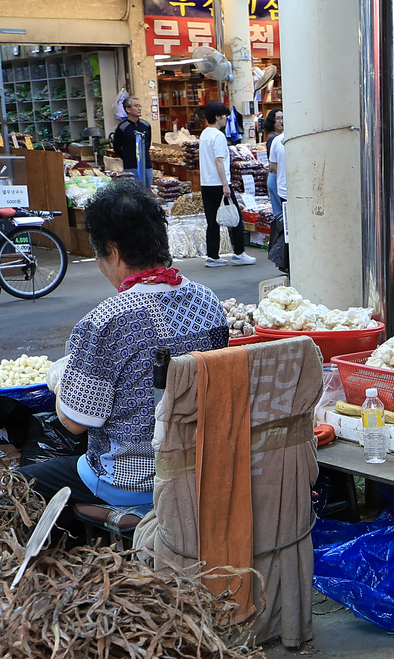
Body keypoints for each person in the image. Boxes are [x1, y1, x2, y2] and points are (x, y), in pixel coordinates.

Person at [20, 180, 228, 510]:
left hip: (132, 481)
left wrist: (60, 382)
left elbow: (75, 422)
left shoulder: (105, 320)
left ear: (113, 251)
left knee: (20, 482)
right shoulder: (208, 301)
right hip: (199, 466)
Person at [198, 101, 254, 268]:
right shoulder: (218, 136)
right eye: (224, 117)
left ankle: (213, 255)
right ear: (217, 117)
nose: (226, 120)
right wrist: (225, 184)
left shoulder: (204, 134)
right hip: (219, 183)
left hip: (206, 183)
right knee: (235, 217)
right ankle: (238, 253)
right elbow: (219, 161)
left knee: (212, 221)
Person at [112, 95, 152, 188]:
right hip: (131, 166)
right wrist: (127, 156)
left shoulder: (146, 125)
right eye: (136, 106)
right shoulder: (123, 127)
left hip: (147, 165)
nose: (139, 109)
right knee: (134, 192)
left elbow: (148, 143)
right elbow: (117, 147)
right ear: (128, 109)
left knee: (148, 191)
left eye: (139, 106)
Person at [263, 109, 286, 221]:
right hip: (276, 176)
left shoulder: (279, 137)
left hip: (277, 175)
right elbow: (273, 164)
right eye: (277, 118)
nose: (280, 121)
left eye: (282, 117)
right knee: (280, 214)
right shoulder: (274, 139)